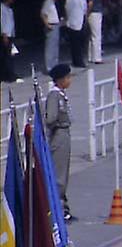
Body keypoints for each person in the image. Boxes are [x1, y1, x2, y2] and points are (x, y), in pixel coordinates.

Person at [44, 63, 75, 222]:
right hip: (59, 136)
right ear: (61, 79)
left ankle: (63, 206)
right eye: (68, 77)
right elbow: (50, 118)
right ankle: (58, 208)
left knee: (63, 173)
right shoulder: (54, 96)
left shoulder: (61, 94)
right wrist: (57, 125)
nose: (70, 80)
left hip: (64, 134)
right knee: (59, 175)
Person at [64, 0, 90, 68]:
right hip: (74, 21)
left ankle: (79, 60)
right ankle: (78, 61)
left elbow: (84, 7)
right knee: (75, 44)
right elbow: (68, 8)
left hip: (81, 20)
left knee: (81, 42)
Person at [40, 0, 61, 71]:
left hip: (56, 25)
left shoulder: (52, 3)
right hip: (51, 25)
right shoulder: (48, 2)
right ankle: (49, 67)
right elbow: (43, 14)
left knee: (55, 47)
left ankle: (54, 65)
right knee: (50, 47)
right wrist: (47, 24)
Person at [0, 0, 16, 82]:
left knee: (9, 55)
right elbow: (2, 22)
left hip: (10, 34)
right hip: (4, 35)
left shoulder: (9, 9)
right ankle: (7, 75)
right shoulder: (1, 8)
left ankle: (9, 74)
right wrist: (4, 34)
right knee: (5, 56)